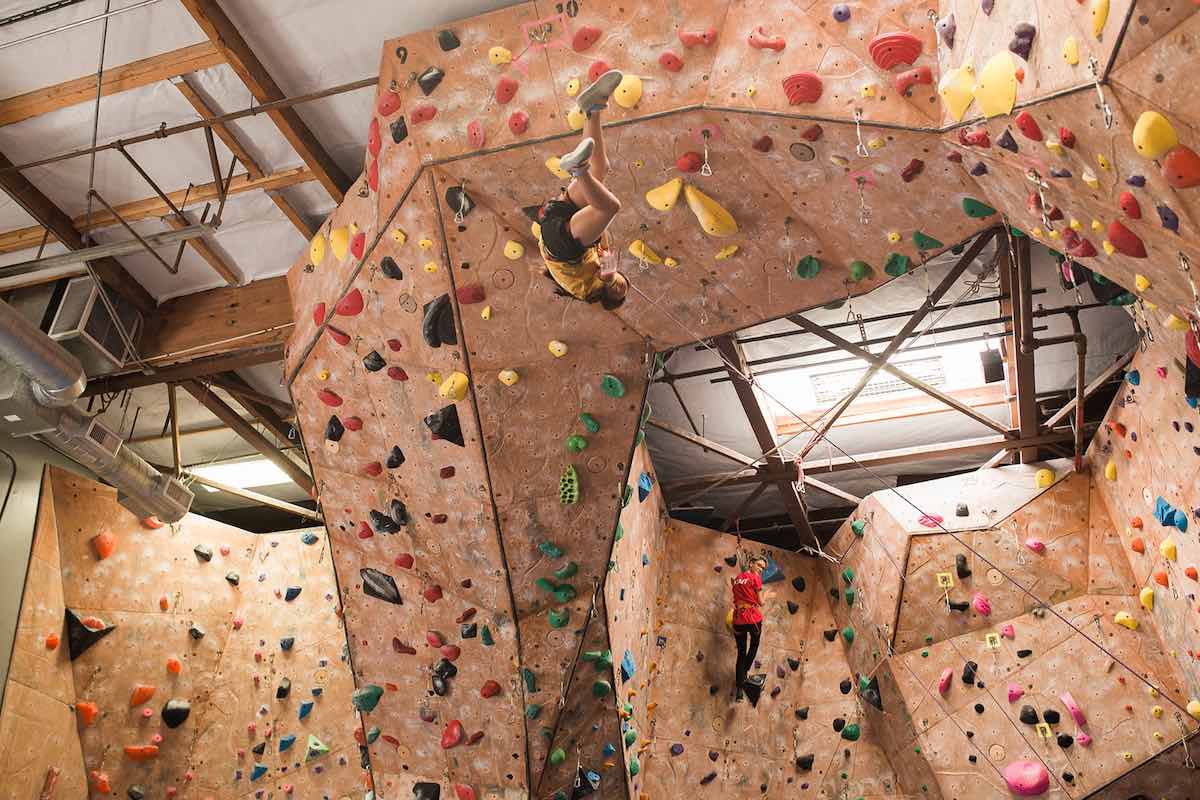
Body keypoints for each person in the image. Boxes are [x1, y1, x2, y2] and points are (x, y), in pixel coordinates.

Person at [536, 69, 628, 310]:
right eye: (622, 286)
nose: (618, 287)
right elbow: (597, 228)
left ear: (606, 296)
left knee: (611, 207)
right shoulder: (603, 252)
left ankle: (577, 169)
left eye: (616, 293)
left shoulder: (592, 289)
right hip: (560, 218)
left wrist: (608, 277)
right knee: (601, 168)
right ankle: (593, 108)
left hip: (563, 248)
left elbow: (604, 279)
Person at [731, 555, 768, 703]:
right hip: (752, 618)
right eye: (759, 566)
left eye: (762, 568)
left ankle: (739, 690)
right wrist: (767, 595)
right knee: (754, 644)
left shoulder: (738, 578)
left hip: (738, 618)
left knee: (741, 652)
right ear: (751, 564)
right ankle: (744, 673)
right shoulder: (755, 578)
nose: (760, 570)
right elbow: (761, 602)